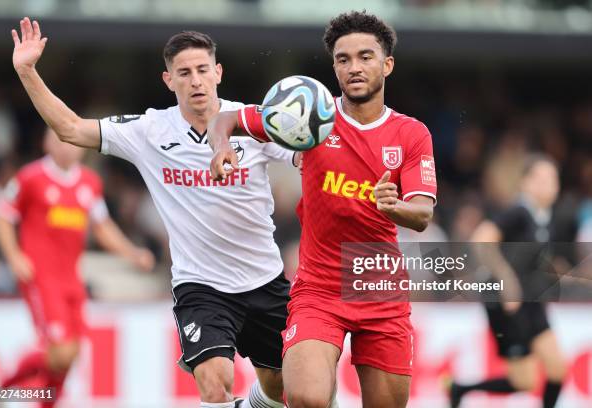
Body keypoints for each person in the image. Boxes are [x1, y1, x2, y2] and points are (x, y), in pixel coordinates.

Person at [11, 17, 296, 408]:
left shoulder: (254, 122)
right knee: (215, 384)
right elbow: (71, 129)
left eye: (201, 70)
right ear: (168, 80)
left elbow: (309, 156)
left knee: (282, 386)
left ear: (218, 72)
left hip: (264, 279)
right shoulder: (150, 131)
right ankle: (2, 388)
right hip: (202, 286)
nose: (195, 80)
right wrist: (27, 71)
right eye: (184, 73)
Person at [209, 11, 437, 408]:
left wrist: (392, 206)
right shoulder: (309, 115)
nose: (354, 67)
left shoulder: (411, 134)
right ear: (333, 67)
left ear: (387, 65)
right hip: (319, 289)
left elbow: (421, 215)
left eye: (366, 57)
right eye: (343, 59)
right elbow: (225, 118)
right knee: (306, 397)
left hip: (378, 290)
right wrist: (220, 146)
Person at [0, 127, 155, 407]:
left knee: (70, 357)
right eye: (58, 139)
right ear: (45, 142)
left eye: (70, 140)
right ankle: (0, 387)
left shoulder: (90, 183)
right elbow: (2, 216)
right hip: (41, 277)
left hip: (72, 279)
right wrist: (14, 255)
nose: (66, 146)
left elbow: (101, 227)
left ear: (81, 146)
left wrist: (132, 253)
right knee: (61, 352)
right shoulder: (31, 177)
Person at [449, 154, 568, 408]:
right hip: (506, 304)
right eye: (542, 178)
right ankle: (459, 389)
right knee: (524, 381)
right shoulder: (518, 212)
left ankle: (459, 389)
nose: (550, 184)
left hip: (532, 303)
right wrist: (507, 283)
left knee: (557, 369)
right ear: (525, 182)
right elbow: (481, 239)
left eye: (553, 179)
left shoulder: (544, 218)